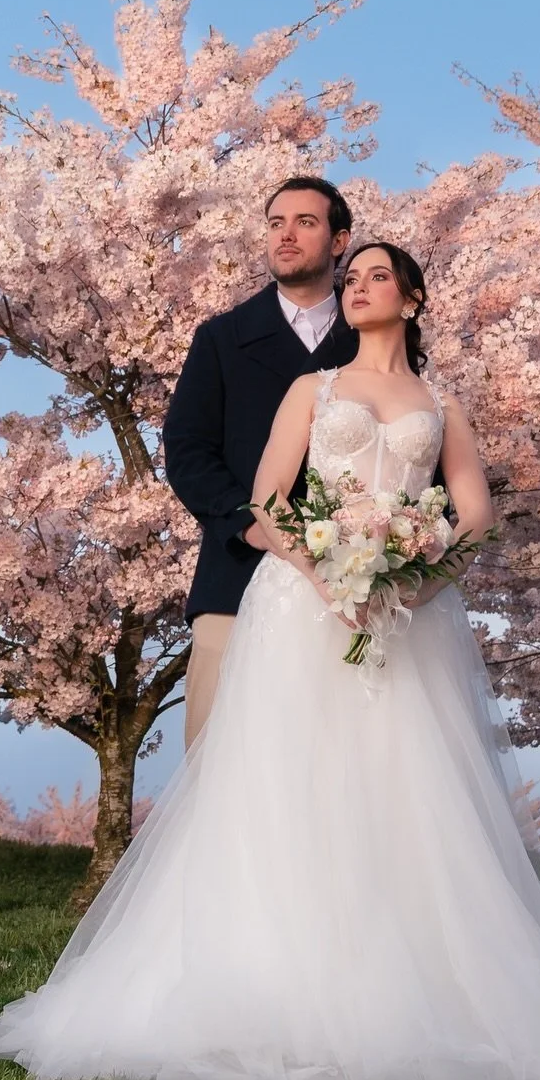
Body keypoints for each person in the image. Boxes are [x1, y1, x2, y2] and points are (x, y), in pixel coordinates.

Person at [0, 242, 540, 1080]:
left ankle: (419, 993)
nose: (357, 288)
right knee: (288, 783)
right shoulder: (310, 391)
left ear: (414, 297)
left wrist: (414, 580)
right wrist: (330, 573)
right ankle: (270, 982)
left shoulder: (441, 403)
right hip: (301, 607)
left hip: (406, 619)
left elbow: (475, 513)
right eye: (349, 278)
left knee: (405, 789)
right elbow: (270, 498)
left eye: (375, 277)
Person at [162, 176, 358, 748]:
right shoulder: (222, 339)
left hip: (350, 583)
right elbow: (188, 448)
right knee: (219, 758)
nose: (286, 235)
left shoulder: (375, 342)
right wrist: (247, 526)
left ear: (340, 240)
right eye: (276, 223)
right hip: (237, 577)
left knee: (338, 765)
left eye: (305, 222)